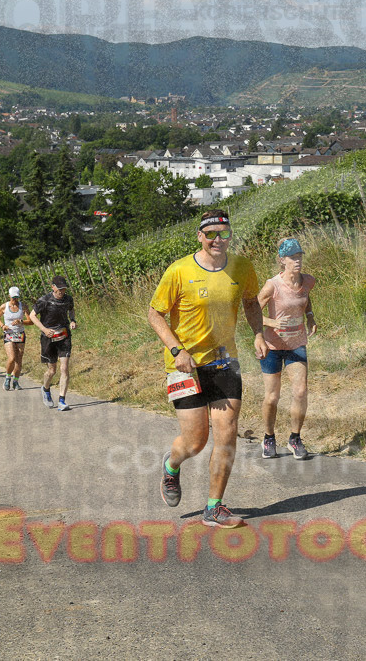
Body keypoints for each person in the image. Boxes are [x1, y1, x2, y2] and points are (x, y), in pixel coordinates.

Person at [147, 209, 266, 528]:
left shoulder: (242, 267)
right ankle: (171, 467)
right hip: (184, 365)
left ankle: (214, 506)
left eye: (223, 233)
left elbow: (252, 303)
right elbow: (155, 314)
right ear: (200, 236)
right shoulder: (179, 271)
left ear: (230, 236)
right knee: (196, 440)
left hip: (225, 361)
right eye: (210, 233)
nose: (217, 239)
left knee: (227, 431)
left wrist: (258, 333)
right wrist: (177, 349)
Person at [258, 237, 317, 460]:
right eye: (293, 257)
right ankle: (269, 437)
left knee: (300, 391)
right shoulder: (272, 285)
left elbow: (306, 298)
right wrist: (271, 323)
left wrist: (310, 317)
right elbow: (253, 311)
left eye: (300, 256)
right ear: (283, 260)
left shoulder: (308, 281)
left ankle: (295, 438)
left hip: (296, 343)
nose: (298, 260)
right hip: (273, 346)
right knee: (272, 397)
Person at [29, 276, 77, 411]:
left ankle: (62, 401)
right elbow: (32, 316)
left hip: (64, 336)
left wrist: (72, 320)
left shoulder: (68, 299)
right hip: (48, 338)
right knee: (52, 371)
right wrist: (44, 329)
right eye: (59, 288)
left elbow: (71, 309)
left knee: (64, 368)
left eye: (64, 288)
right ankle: (45, 389)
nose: (62, 291)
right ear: (53, 287)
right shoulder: (44, 300)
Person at [0, 287, 30, 392]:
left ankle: (15, 381)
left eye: (17, 297)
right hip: (8, 334)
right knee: (11, 358)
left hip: (20, 334)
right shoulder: (4, 306)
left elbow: (31, 321)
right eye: (13, 297)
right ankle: (7, 378)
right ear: (9, 296)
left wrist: (21, 321)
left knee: (19, 359)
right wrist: (2, 326)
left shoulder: (23, 306)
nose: (15, 299)